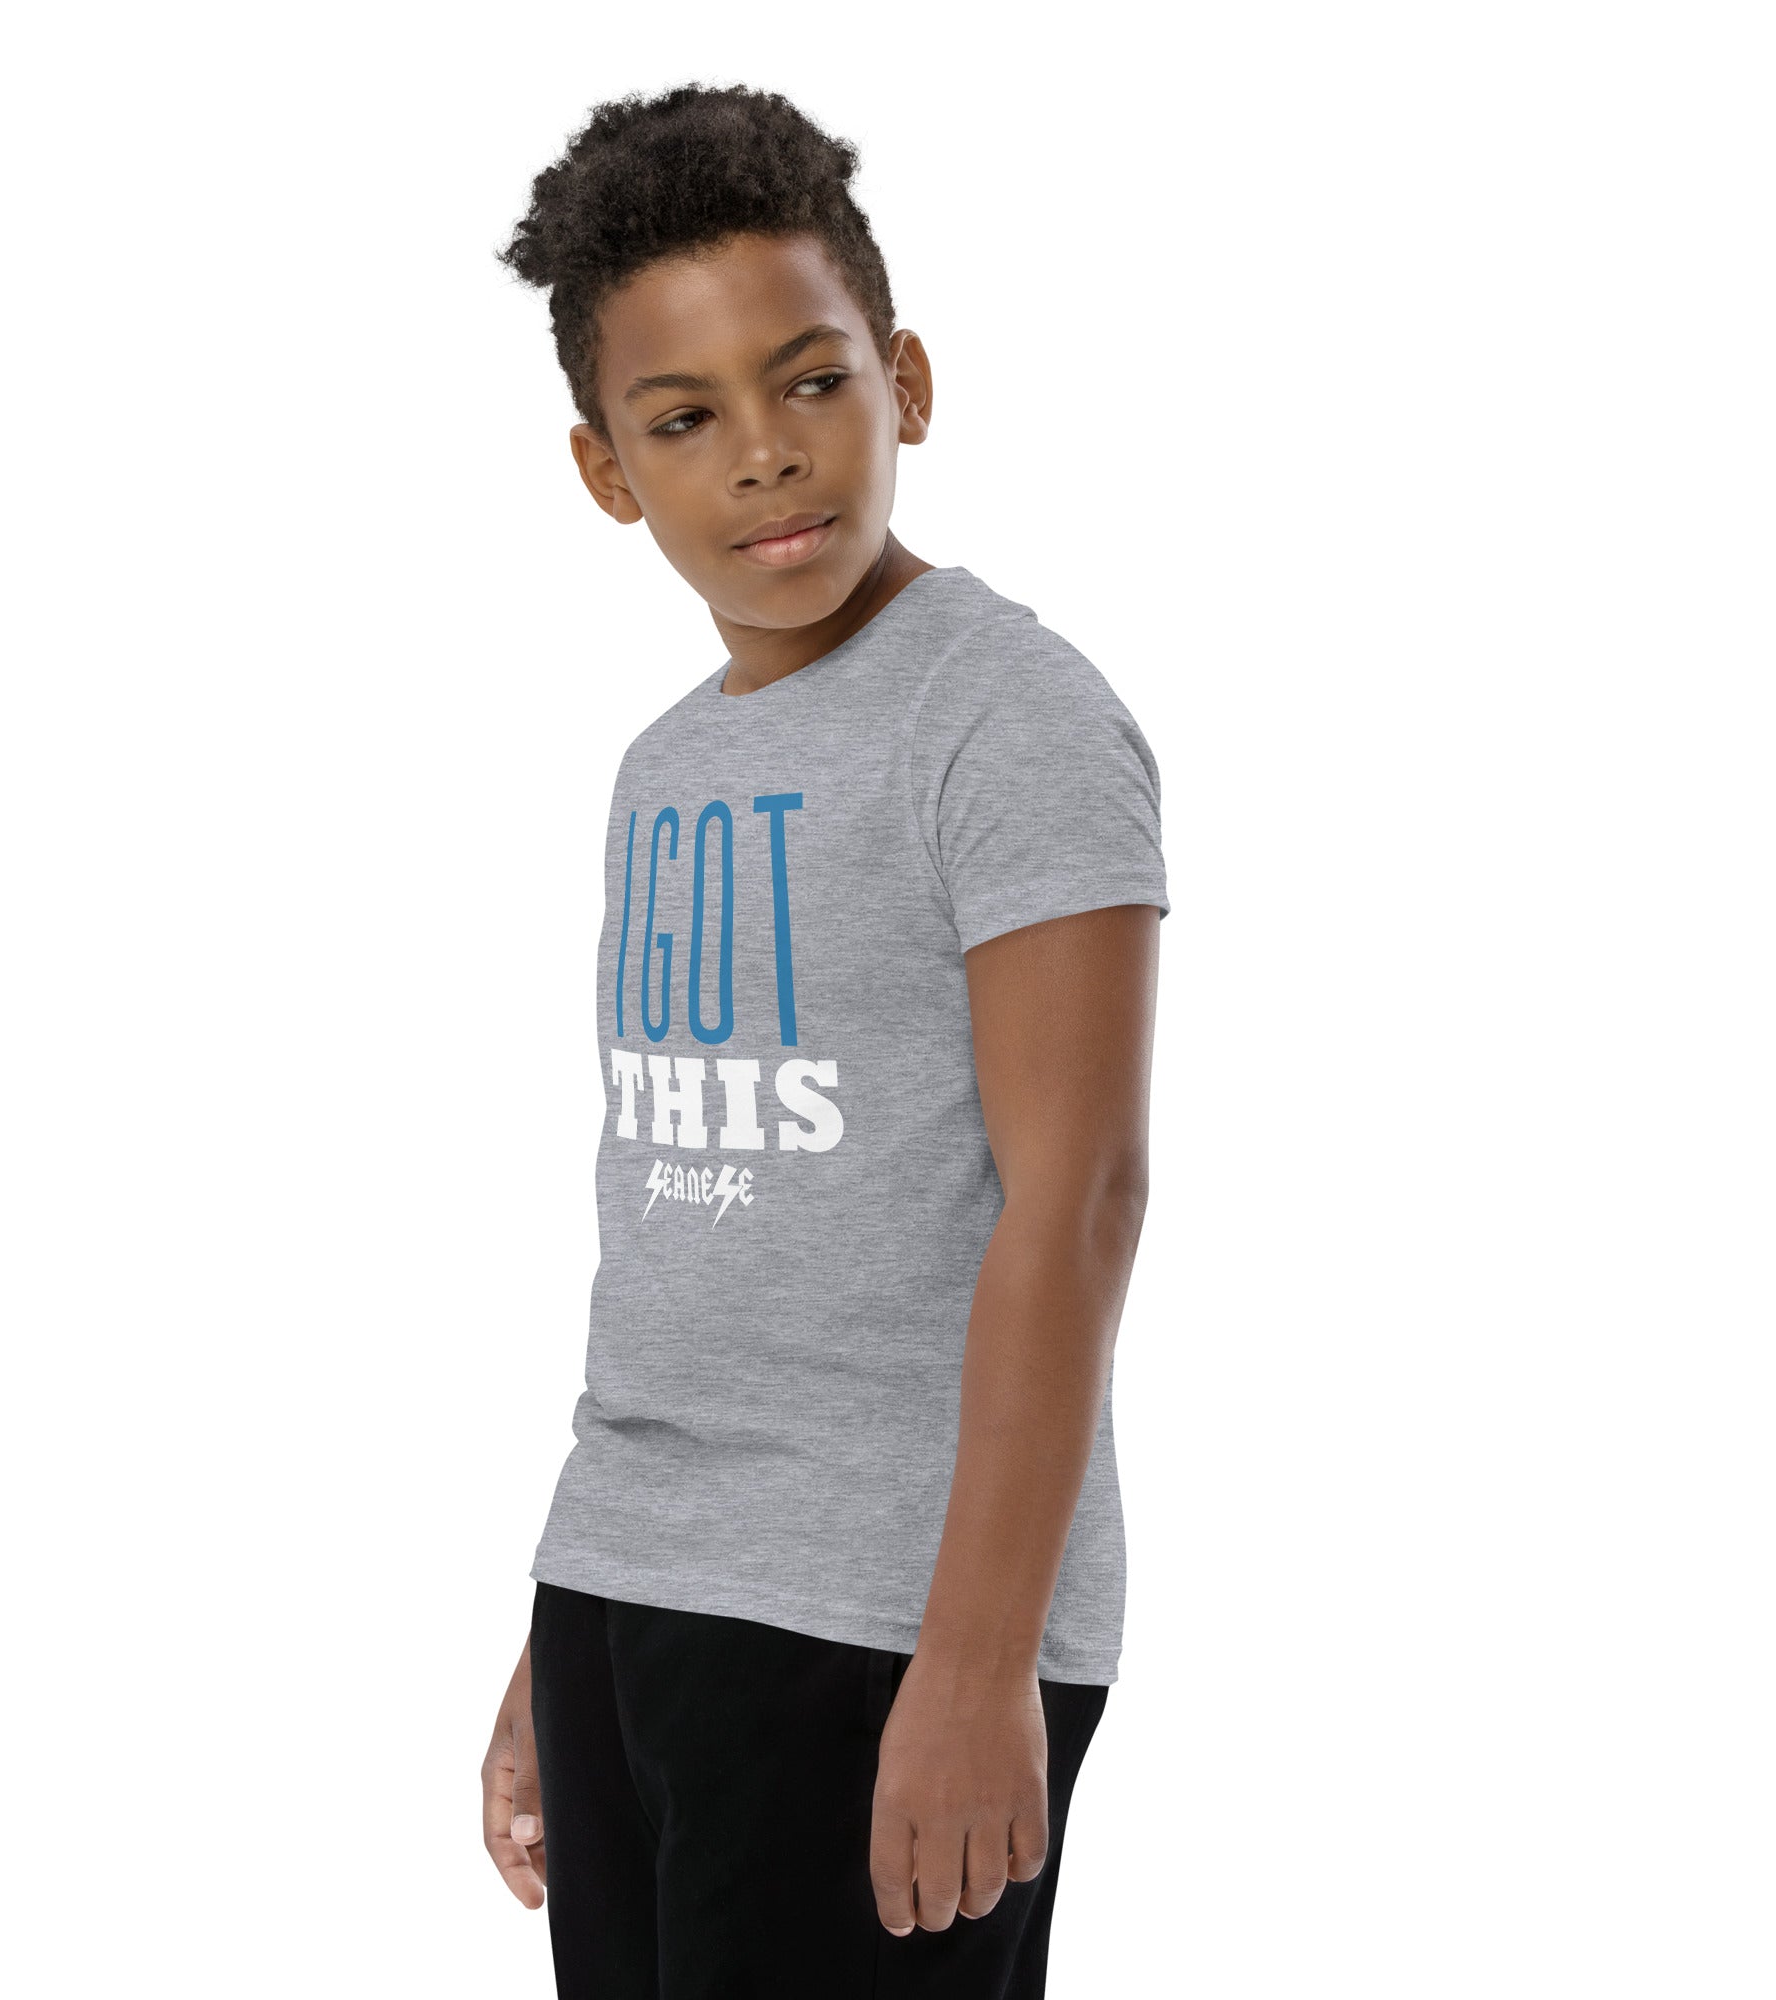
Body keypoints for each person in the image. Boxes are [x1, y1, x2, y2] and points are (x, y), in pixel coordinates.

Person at [480, 83, 1168, 1998]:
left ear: (905, 382)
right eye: (685, 418)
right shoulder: (665, 766)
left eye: (810, 383)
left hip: (885, 1623)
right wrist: (566, 1626)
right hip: (635, 1588)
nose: (767, 455)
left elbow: (1081, 1196)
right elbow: (681, 1238)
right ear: (608, 470)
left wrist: (978, 1664)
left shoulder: (1004, 717)